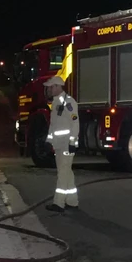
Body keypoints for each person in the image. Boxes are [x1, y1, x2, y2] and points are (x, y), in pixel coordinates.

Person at [42, 75, 81, 212]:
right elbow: (54, 126)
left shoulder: (69, 102)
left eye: (51, 87)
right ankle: (72, 201)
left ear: (58, 86)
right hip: (59, 145)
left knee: (63, 173)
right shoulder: (56, 102)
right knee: (66, 172)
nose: (49, 89)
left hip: (66, 145)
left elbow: (75, 123)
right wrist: (49, 141)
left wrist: (72, 142)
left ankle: (58, 203)